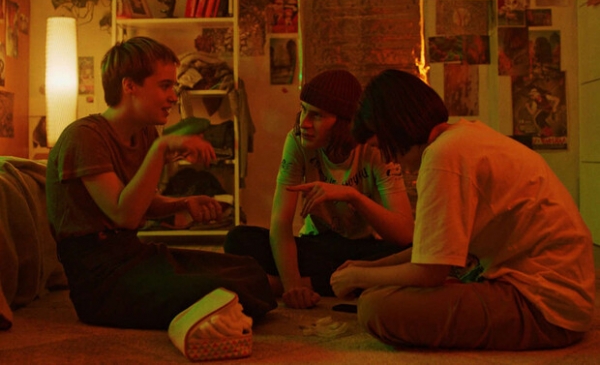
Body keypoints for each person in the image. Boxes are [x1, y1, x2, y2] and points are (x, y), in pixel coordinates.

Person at [330, 69, 595, 350]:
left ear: (395, 128)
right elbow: (432, 251)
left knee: (375, 306)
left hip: (545, 307)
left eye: (381, 146)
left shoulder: (443, 156)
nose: (388, 158)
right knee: (384, 288)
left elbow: (429, 272)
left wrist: (357, 277)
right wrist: (369, 267)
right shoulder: (463, 137)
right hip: (561, 297)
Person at [46, 36, 276, 330]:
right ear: (130, 86)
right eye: (165, 86)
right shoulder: (85, 137)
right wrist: (161, 149)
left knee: (245, 268)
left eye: (173, 87)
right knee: (221, 289)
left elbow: (141, 201)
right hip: (101, 281)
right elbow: (124, 215)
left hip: (134, 254)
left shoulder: (144, 134)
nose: (173, 96)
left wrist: (184, 203)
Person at [224, 69, 414, 309]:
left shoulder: (372, 147)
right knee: (238, 239)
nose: (304, 123)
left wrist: (353, 196)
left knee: (412, 251)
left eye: (316, 115)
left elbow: (404, 233)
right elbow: (281, 221)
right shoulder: (296, 140)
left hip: (365, 248)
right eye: (303, 109)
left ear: (344, 123)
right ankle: (340, 282)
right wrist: (293, 285)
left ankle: (286, 284)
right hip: (318, 246)